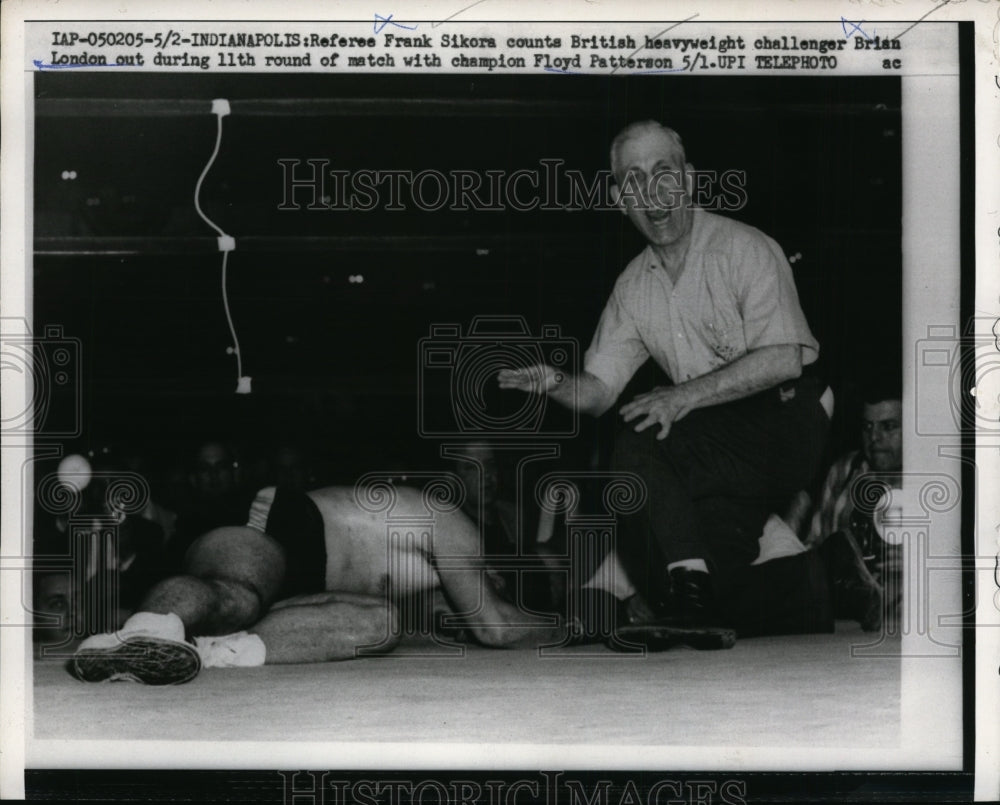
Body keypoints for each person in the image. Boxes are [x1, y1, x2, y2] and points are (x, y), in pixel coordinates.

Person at [500, 120, 830, 643]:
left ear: (690, 180)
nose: (652, 194)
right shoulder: (633, 287)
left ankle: (690, 591)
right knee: (697, 567)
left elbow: (784, 359)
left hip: (784, 420)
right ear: (618, 198)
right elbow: (599, 391)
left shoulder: (745, 248)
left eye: (663, 174)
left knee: (639, 440)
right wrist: (556, 382)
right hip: (711, 446)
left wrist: (681, 397)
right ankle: (811, 588)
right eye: (633, 181)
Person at [70, 483, 568, 684]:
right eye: (503, 590)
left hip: (304, 576)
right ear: (501, 572)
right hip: (287, 523)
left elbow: (449, 623)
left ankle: (199, 650)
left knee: (380, 626)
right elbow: (497, 628)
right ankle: (145, 631)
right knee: (237, 596)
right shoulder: (459, 530)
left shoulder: (438, 582)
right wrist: (576, 626)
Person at [805, 378, 903, 630]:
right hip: (842, 617)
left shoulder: (935, 480)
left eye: (888, 426)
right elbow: (814, 546)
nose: (874, 437)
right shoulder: (844, 470)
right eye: (867, 426)